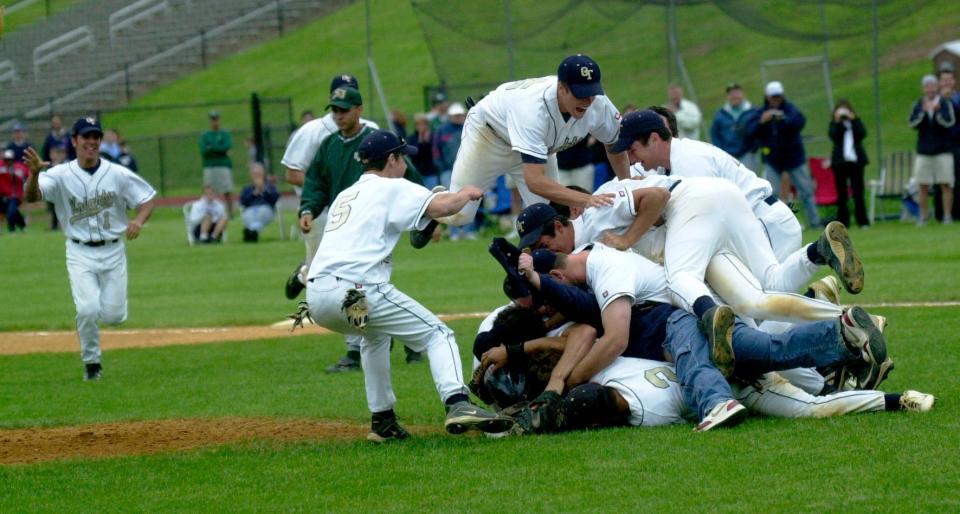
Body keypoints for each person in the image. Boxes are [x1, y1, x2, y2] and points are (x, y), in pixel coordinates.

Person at [300, 129, 513, 442]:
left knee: (374, 336)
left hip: (318, 296)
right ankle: (458, 402)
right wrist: (469, 191)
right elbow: (444, 206)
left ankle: (383, 421)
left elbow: (415, 231)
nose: (404, 164)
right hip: (356, 289)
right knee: (438, 334)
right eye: (402, 157)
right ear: (391, 159)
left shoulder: (346, 195)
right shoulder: (392, 186)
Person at [410, 54, 631, 248]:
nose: (588, 100)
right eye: (581, 93)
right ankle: (435, 202)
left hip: (536, 149)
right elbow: (535, 180)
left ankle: (546, 281)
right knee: (460, 215)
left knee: (548, 221)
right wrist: (585, 199)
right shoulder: (533, 108)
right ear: (561, 88)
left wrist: (627, 184)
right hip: (491, 137)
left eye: (592, 92)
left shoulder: (598, 104)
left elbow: (615, 145)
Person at [296, 85, 424, 372]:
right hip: (343, 228)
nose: (339, 116)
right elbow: (316, 182)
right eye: (335, 110)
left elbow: (408, 174)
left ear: (359, 109)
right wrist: (308, 209)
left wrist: (428, 216)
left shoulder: (374, 142)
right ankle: (375, 343)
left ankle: (370, 346)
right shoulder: (329, 144)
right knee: (358, 287)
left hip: (374, 225)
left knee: (361, 285)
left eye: (344, 110)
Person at [23, 117, 156, 381]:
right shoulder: (60, 174)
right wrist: (35, 172)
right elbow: (32, 196)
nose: (91, 142)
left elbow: (148, 197)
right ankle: (92, 363)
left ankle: (100, 341)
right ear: (74, 141)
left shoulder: (116, 173)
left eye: (95, 137)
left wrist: (138, 221)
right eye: (86, 137)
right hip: (79, 251)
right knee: (87, 309)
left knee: (114, 316)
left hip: (113, 250)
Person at [281, 74, 379, 302]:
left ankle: (363, 315)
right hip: (321, 213)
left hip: (362, 212)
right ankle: (305, 275)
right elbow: (293, 173)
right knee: (321, 269)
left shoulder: (371, 129)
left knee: (360, 265)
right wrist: (322, 195)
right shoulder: (312, 131)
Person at [744, 81, 821, 228]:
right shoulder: (761, 113)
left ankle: (815, 222)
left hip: (795, 158)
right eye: (772, 97)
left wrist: (783, 119)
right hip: (772, 160)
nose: (775, 99)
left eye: (778, 96)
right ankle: (776, 226)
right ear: (767, 97)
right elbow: (749, 132)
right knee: (772, 194)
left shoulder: (790, 109)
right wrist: (762, 121)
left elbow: (799, 122)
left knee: (806, 191)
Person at [910, 74, 956, 226]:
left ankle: (947, 216)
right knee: (922, 185)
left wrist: (937, 112)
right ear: (924, 89)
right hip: (924, 151)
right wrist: (924, 113)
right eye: (927, 86)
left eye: (932, 86)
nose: (930, 89)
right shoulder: (918, 104)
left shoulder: (944, 103)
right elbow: (913, 123)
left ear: (937, 87)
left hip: (943, 150)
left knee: (945, 184)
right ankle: (923, 217)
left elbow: (950, 122)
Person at [432, 102, 476, 240]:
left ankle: (468, 231)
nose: (459, 117)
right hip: (448, 170)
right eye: (456, 115)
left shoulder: (469, 128)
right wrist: (441, 165)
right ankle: (454, 233)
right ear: (451, 116)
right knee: (451, 200)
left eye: (461, 115)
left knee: (469, 199)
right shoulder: (442, 130)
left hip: (468, 169)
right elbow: (436, 150)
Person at [828, 99, 870, 228]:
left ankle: (862, 221)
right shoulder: (834, 124)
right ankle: (843, 221)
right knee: (842, 194)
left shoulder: (855, 123)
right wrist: (838, 121)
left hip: (855, 162)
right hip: (840, 162)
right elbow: (833, 135)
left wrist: (854, 119)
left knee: (858, 192)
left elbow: (862, 133)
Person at [710, 82, 758, 172]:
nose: (734, 96)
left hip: (747, 154)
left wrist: (753, 148)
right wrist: (720, 152)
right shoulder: (720, 114)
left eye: (737, 93)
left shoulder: (753, 110)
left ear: (742, 94)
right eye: (731, 94)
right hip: (727, 156)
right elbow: (715, 135)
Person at [199, 111, 234, 217]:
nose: (215, 122)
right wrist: (219, 150)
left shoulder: (225, 134)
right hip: (209, 166)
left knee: (227, 190)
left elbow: (227, 146)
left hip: (223, 165)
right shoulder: (205, 135)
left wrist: (213, 148)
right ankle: (208, 213)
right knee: (208, 189)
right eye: (212, 120)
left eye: (216, 119)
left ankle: (230, 213)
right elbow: (204, 150)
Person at [239, 162, 279, 243]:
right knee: (249, 215)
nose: (257, 176)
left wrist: (263, 190)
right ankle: (253, 232)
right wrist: (255, 193)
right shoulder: (247, 188)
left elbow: (274, 199)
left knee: (261, 214)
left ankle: (251, 232)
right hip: (250, 209)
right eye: (255, 174)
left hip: (266, 208)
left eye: (259, 174)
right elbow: (243, 202)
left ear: (263, 174)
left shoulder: (270, 186)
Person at [938, 68, 960, 219]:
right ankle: (941, 214)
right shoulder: (933, 100)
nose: (946, 82)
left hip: (957, 144)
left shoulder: (958, 98)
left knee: (957, 179)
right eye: (943, 80)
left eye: (949, 79)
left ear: (954, 81)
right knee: (941, 181)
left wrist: (949, 101)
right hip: (940, 147)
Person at [1, 149, 30, 232]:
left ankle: (12, 229)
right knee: (13, 212)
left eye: (10, 159)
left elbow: (28, 176)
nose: (8, 162)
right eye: (6, 159)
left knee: (11, 212)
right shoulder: (1, 167)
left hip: (16, 196)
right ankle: (23, 225)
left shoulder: (19, 168)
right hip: (4, 196)